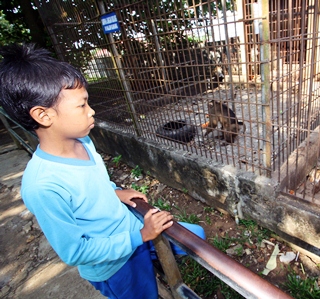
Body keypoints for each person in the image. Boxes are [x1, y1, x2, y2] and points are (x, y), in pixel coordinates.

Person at [0, 43, 205, 299]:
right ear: (43, 115)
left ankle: (162, 273)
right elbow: (75, 251)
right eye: (82, 105)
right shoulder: (42, 186)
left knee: (197, 237)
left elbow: (93, 184)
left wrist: (114, 193)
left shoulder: (83, 141)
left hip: (131, 228)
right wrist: (141, 235)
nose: (91, 111)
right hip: (114, 265)